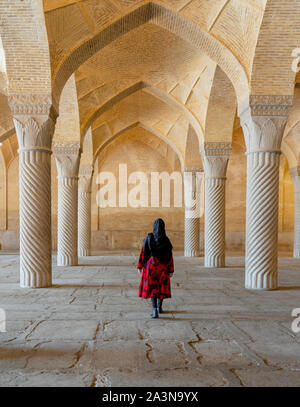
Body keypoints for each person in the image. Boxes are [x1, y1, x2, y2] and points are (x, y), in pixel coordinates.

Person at [137, 218, 174, 318]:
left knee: (153, 289)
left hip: (151, 268)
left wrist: (140, 266)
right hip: (163, 268)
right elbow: (170, 256)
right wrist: (171, 269)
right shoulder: (166, 241)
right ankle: (159, 307)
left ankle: (154, 310)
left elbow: (143, 253)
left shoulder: (149, 238)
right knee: (161, 287)